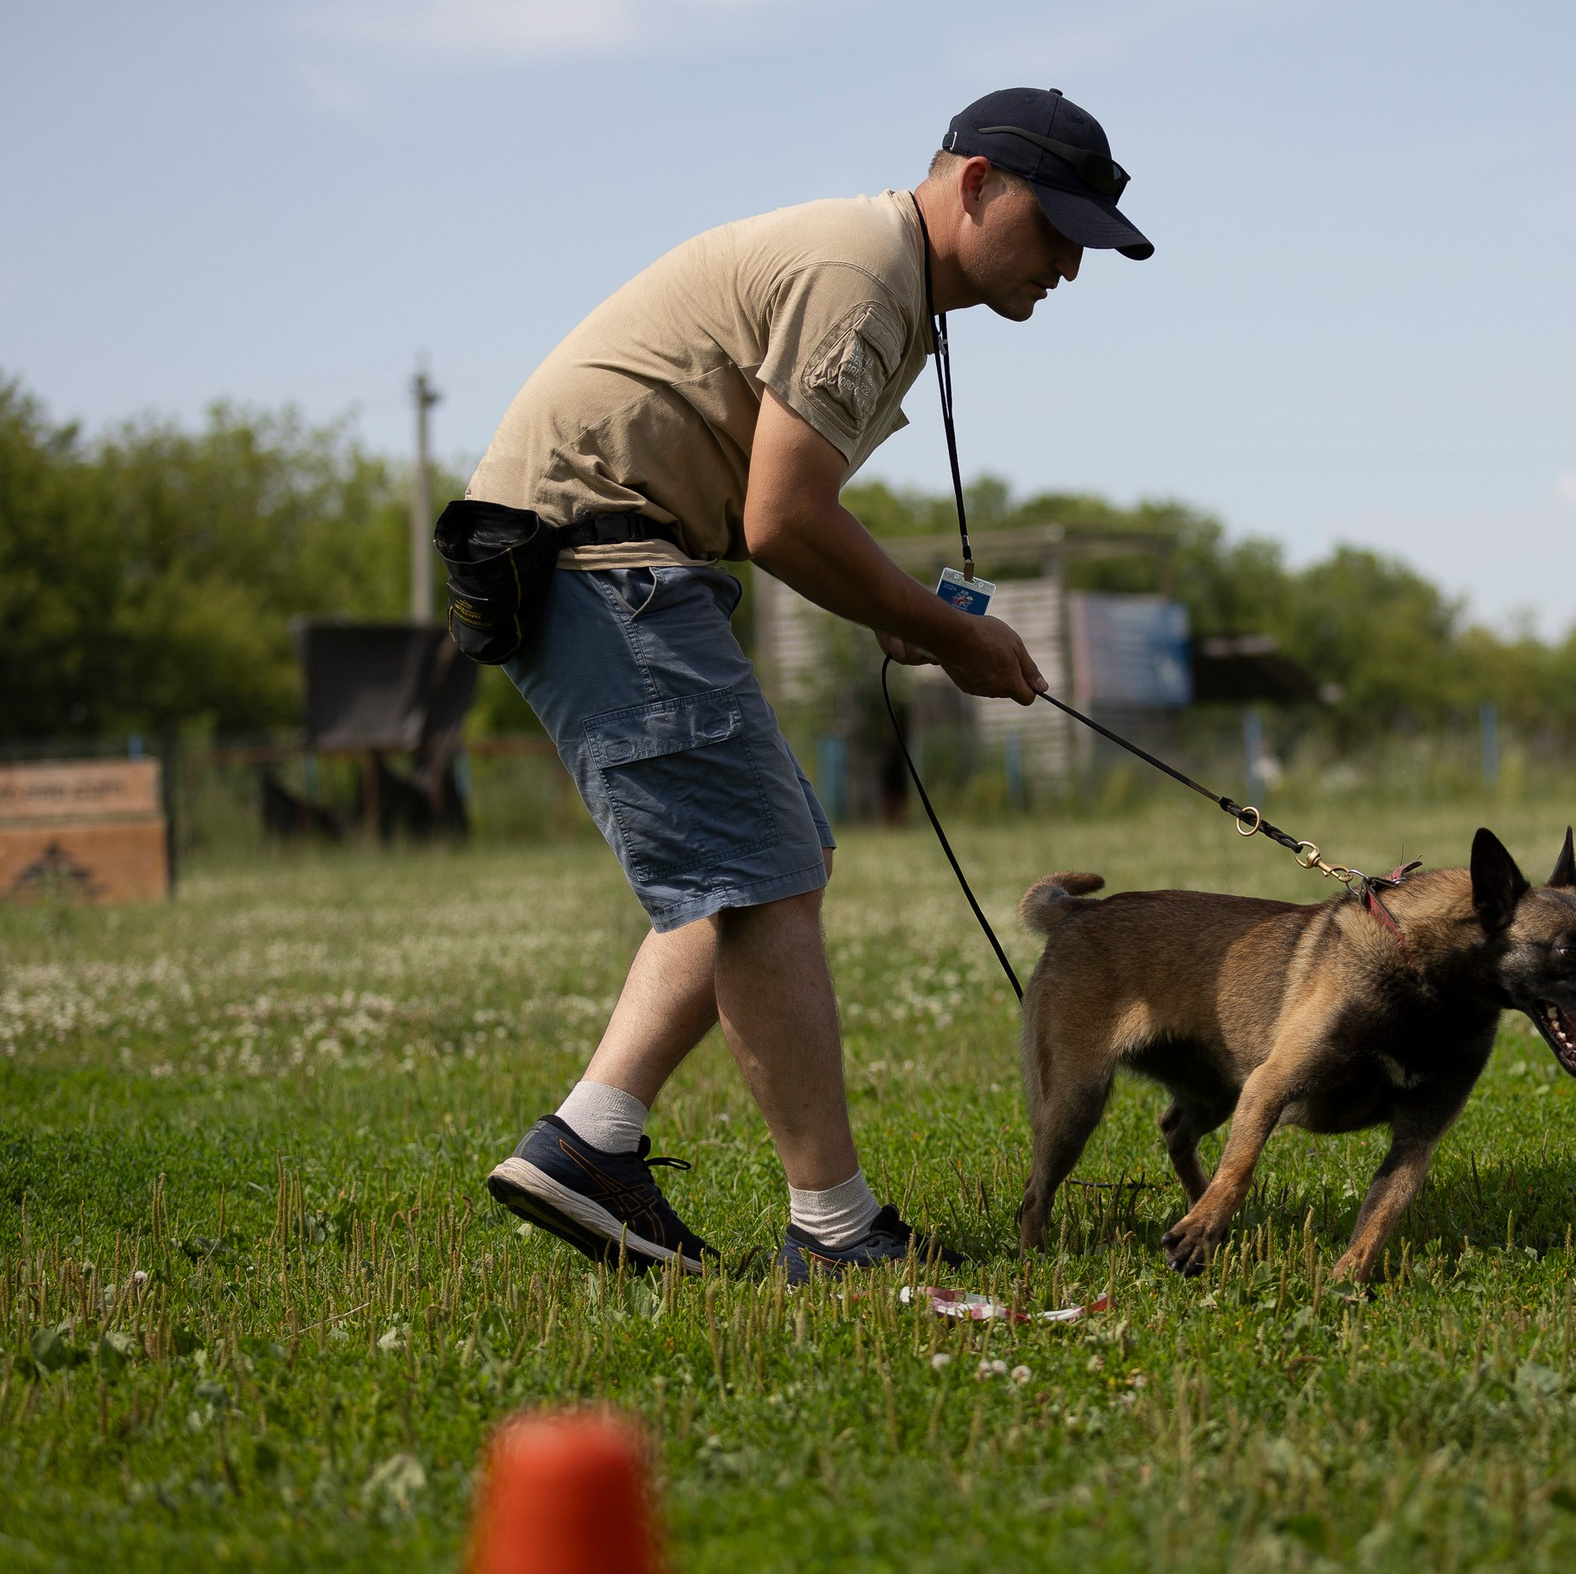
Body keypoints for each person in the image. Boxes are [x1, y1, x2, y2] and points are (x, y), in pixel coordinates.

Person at [467, 88, 1151, 1283]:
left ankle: (592, 1140)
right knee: (765, 880)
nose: (1068, 269)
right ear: (977, 183)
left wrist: (906, 615)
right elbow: (779, 519)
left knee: (767, 864)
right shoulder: (861, 278)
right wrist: (940, 629)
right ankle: (835, 1232)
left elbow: (787, 511)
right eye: (1057, 231)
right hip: (597, 554)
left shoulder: (883, 282)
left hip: (609, 553)